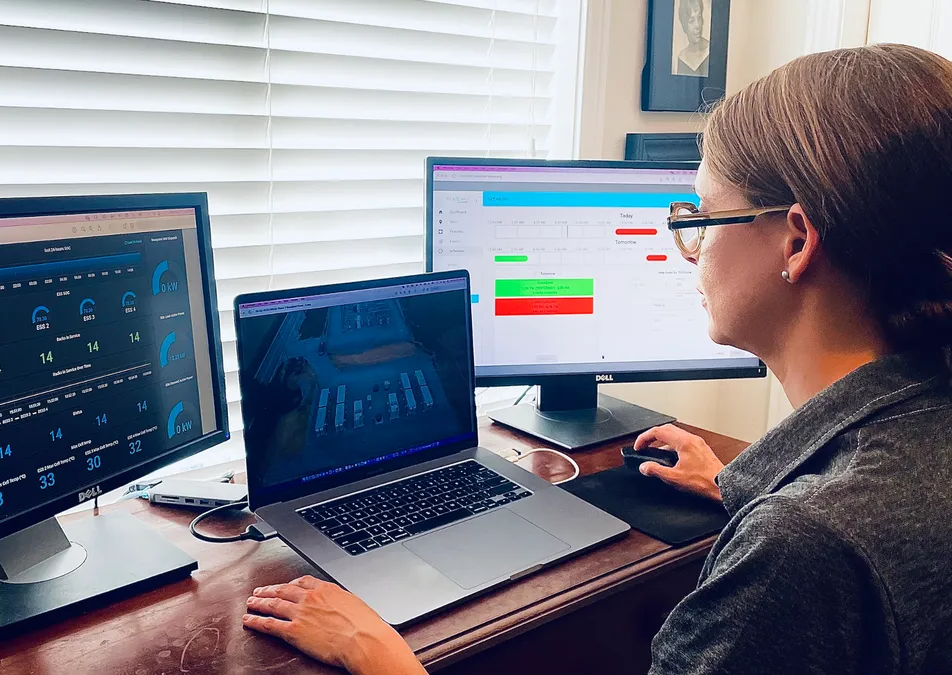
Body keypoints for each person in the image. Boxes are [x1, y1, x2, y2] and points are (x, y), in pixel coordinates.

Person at [240, 43, 952, 675]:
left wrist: (379, 656)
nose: (690, 251)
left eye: (698, 218)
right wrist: (741, 485)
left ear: (796, 242)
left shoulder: (799, 550)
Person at [674, 0, 711, 77]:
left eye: (699, 18)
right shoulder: (682, 58)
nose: (697, 25)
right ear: (684, 26)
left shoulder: (711, 50)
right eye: (691, 21)